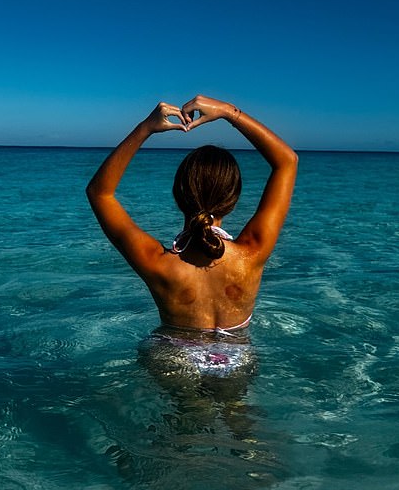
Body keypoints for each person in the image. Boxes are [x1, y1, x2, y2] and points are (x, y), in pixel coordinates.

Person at [86, 95, 298, 340]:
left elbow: (99, 193)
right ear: (233, 199)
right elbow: (287, 162)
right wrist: (228, 112)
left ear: (177, 195)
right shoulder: (252, 253)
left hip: (174, 362)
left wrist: (146, 128)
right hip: (235, 364)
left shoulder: (157, 263)